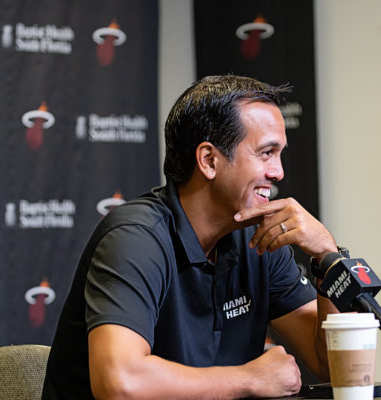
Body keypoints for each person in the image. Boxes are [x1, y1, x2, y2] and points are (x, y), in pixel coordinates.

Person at [42, 75, 343, 399]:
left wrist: (328, 258)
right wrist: (249, 379)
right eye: (266, 153)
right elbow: (119, 383)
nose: (278, 172)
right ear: (209, 160)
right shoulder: (135, 238)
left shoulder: (260, 240)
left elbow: (332, 365)